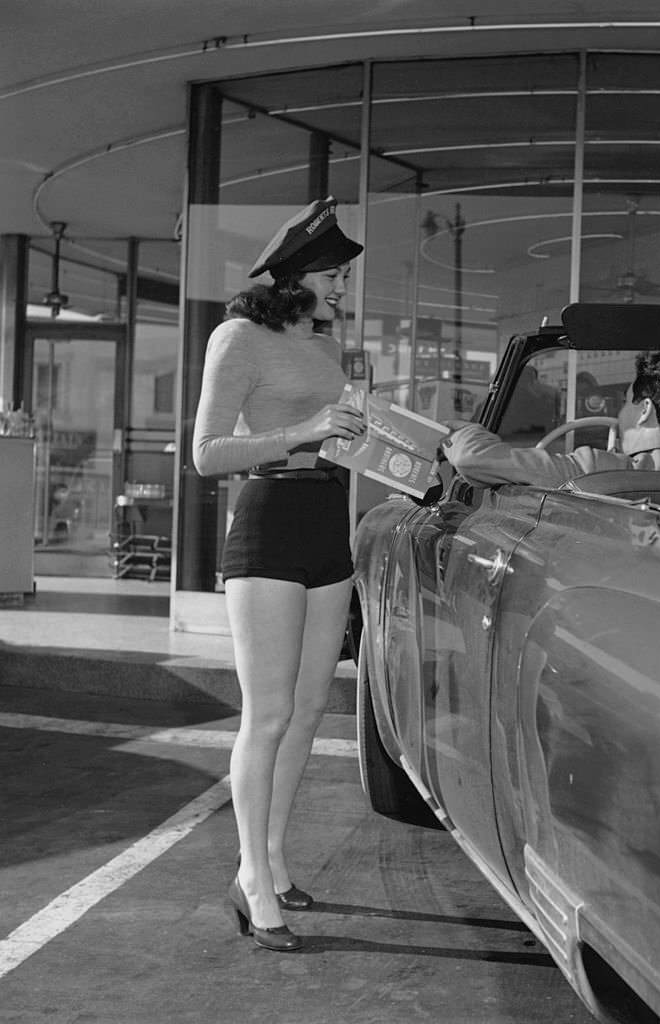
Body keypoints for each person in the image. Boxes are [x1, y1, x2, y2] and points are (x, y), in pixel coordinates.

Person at [192, 196, 366, 952]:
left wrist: (375, 440)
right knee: (266, 715)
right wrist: (304, 428)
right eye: (332, 274)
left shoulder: (327, 348)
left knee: (308, 707)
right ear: (293, 277)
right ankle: (252, 878)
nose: (342, 287)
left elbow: (332, 439)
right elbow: (205, 453)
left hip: (327, 517)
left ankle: (272, 858)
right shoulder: (237, 336)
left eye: (343, 276)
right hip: (267, 523)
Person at [443, 350, 660, 488]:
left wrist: (461, 431)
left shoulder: (597, 469)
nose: (619, 415)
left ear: (645, 411)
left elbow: (472, 458)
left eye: (626, 402)